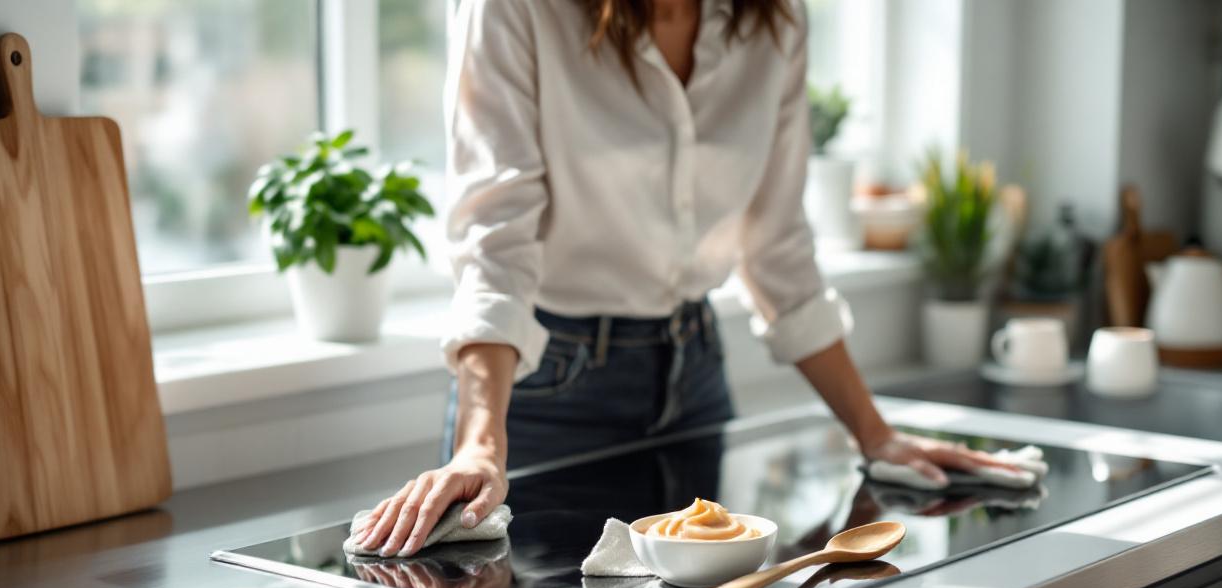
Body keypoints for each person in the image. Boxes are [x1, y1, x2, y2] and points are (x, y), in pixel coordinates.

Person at [353, 0, 1012, 558]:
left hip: (694, 375)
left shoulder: (774, 21)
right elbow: (496, 249)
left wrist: (876, 434)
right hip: (543, 392)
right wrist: (478, 447)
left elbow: (778, 249)